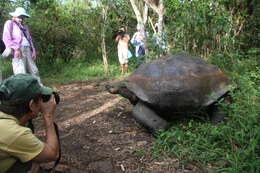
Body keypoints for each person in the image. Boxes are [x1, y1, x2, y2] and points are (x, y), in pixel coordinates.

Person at [0, 74, 59, 173]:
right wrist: (48, 115)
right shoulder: (14, 134)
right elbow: (52, 154)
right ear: (32, 105)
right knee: (32, 163)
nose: (43, 102)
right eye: (41, 98)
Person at [2, 7, 41, 83]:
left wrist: (33, 51)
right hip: (18, 49)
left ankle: (38, 88)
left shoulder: (25, 26)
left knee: (34, 70)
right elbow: (6, 37)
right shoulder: (9, 23)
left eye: (23, 17)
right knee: (20, 71)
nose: (21, 19)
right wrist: (16, 49)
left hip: (27, 49)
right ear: (15, 16)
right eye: (20, 16)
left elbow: (29, 39)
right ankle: (23, 92)